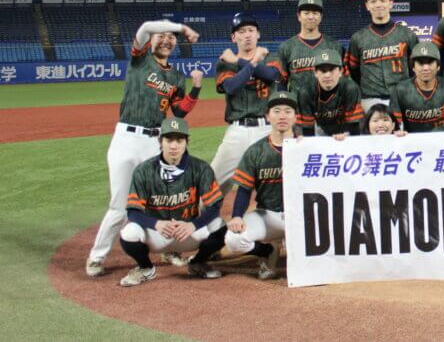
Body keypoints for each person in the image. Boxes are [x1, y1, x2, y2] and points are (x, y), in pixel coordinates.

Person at [86, 19, 203, 277]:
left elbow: (179, 111)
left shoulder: (176, 76)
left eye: (171, 37)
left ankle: (170, 248)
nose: (166, 40)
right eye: (161, 35)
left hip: (154, 141)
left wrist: (195, 89)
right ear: (151, 40)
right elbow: (146, 26)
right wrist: (181, 28)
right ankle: (97, 256)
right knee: (119, 206)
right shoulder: (140, 59)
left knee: (165, 200)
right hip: (126, 138)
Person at [117, 117, 227, 286]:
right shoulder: (144, 171)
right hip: (157, 234)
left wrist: (193, 225)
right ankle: (146, 268)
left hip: (187, 233)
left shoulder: (200, 168)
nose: (174, 146)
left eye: (179, 140)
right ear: (160, 141)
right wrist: (156, 224)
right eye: (169, 140)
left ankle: (198, 262)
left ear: (187, 142)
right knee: (128, 233)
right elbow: (132, 212)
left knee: (220, 226)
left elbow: (215, 206)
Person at [223, 92, 296, 280]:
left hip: (300, 217)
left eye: (288, 111)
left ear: (296, 116)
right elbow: (244, 190)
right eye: (276, 111)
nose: (282, 116)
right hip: (268, 215)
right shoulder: (256, 151)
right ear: (267, 116)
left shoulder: (307, 148)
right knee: (234, 239)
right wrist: (237, 216)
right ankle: (267, 251)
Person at [211, 13, 284, 189]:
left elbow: (271, 75)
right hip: (238, 131)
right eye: (241, 31)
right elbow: (231, 87)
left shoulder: (271, 58)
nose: (247, 35)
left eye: (251, 30)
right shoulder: (225, 63)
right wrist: (250, 62)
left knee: (276, 186)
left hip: (268, 130)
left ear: (258, 34)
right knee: (211, 185)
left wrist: (237, 60)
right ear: (233, 37)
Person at [345, 0, 419, 112]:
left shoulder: (407, 35)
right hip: (369, 99)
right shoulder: (358, 38)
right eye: (373, 1)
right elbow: (354, 70)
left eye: (382, 0)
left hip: (401, 97)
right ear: (367, 5)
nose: (378, 5)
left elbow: (415, 68)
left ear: (391, 3)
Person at [277, 0, 344, 95]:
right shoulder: (286, 47)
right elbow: (282, 82)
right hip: (297, 103)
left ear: (320, 17)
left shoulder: (335, 46)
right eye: (306, 13)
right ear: (299, 16)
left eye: (315, 13)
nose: (311, 17)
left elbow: (343, 80)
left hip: (328, 103)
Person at [294, 48, 363, 138]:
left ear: (340, 71)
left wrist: (346, 136)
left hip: (345, 131)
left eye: (331, 70)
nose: (327, 75)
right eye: (323, 71)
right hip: (320, 129)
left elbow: (354, 126)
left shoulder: (350, 88)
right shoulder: (306, 92)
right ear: (315, 72)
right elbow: (308, 128)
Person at [388, 41, 444, 133]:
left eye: (430, 62)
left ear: (438, 66)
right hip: (410, 140)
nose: (425, 68)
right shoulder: (400, 90)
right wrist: (397, 131)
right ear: (413, 67)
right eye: (421, 63)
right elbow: (394, 124)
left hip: (441, 139)